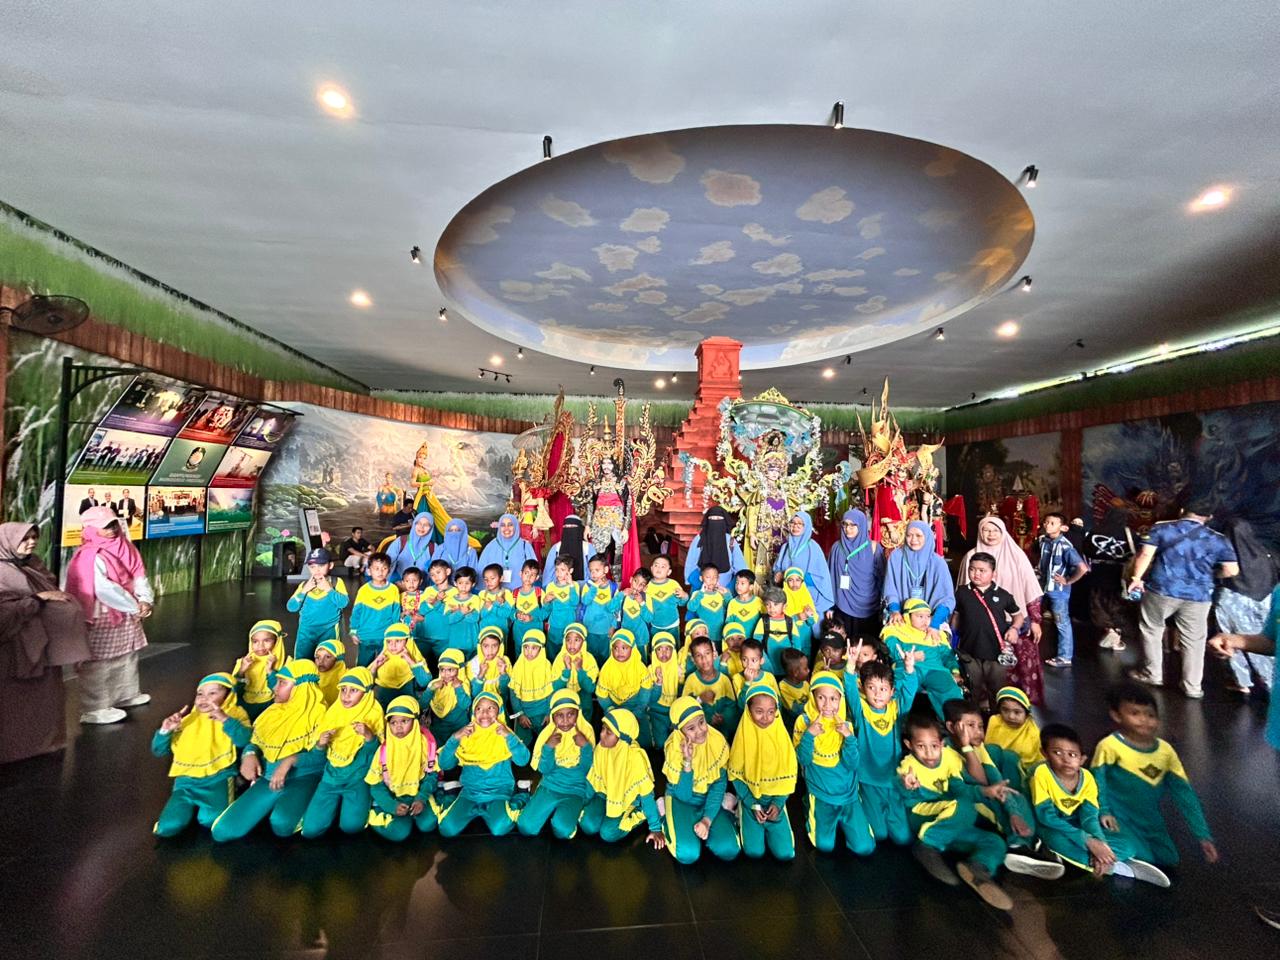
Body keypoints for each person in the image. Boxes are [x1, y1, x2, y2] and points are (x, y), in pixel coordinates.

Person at [1091, 682, 1217, 867]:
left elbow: (1185, 794)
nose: (1144, 720)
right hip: (1118, 818)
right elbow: (1096, 783)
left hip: (1150, 821)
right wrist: (1103, 811)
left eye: (1150, 715)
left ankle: (1121, 856)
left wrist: (1203, 835)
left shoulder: (1166, 752)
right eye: (1135, 713)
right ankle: (1092, 848)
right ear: (1116, 715)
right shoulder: (1109, 746)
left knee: (1169, 858)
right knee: (1135, 852)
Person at [897, 712, 1015, 909]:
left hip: (952, 820)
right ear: (909, 745)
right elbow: (903, 786)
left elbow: (961, 790)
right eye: (921, 746)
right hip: (923, 816)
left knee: (995, 841)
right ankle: (927, 845)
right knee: (963, 807)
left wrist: (986, 791)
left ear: (942, 743)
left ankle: (978, 869)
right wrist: (907, 785)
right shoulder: (909, 765)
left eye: (934, 746)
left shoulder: (950, 758)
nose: (929, 753)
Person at [1030, 722, 1170, 887]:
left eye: (1072, 754)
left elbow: (1089, 818)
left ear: (1082, 759)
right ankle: (1115, 867)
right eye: (1057, 752)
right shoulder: (1041, 773)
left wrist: (1100, 843)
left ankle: (1102, 859)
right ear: (1045, 753)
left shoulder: (1088, 779)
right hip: (1051, 827)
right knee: (1056, 841)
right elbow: (1046, 818)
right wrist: (1088, 841)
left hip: (1077, 826)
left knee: (1129, 845)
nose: (1066, 760)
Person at [0, 522, 90, 763]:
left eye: (34, 537)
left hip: (43, 648)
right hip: (12, 652)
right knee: (13, 704)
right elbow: (4, 615)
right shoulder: (2, 572)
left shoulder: (33, 564)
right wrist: (37, 599)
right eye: (24, 538)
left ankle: (43, 743)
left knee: (45, 699)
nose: (31, 542)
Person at [1128, 503, 1239, 698]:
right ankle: (1192, 686)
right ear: (1209, 517)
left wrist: (1136, 578)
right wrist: (1211, 576)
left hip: (1162, 588)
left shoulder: (1162, 528)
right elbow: (1231, 570)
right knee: (1194, 640)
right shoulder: (1218, 539)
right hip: (1199, 595)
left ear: (1181, 511)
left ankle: (1152, 673)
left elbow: (1145, 554)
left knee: (1152, 629)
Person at [210, 660, 327, 841]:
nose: (274, 688)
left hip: (303, 777)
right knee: (222, 831)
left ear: (301, 688)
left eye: (282, 683)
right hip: (269, 777)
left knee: (282, 824)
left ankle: (313, 800)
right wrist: (249, 754)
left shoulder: (321, 715)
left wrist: (289, 761)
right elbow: (255, 741)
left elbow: (321, 758)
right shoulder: (271, 713)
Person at [64, 507, 154, 725]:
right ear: (91, 529)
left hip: (126, 610)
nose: (112, 529)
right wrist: (134, 606)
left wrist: (145, 598)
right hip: (101, 613)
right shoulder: (89, 555)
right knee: (99, 661)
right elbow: (104, 589)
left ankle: (125, 694)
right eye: (105, 526)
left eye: (113, 524)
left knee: (127, 654)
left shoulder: (126, 547)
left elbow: (139, 575)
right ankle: (95, 707)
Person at [151, 672, 252, 837]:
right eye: (200, 694)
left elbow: (244, 740)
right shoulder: (186, 721)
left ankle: (232, 791)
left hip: (218, 778)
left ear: (228, 696)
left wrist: (225, 719)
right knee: (167, 827)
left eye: (212, 693)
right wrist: (165, 731)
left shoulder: (235, 714)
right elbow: (158, 750)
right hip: (185, 783)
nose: (204, 698)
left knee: (211, 820)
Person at [958, 516, 1045, 705]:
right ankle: (982, 708)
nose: (990, 534)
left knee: (1013, 667)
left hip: (1013, 623)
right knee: (977, 670)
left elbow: (1030, 588)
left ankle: (1013, 706)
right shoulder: (971, 556)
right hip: (979, 626)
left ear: (1003, 532)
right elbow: (962, 596)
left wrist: (1035, 619)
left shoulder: (1016, 555)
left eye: (995, 530)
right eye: (986, 530)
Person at [793, 673, 874, 856]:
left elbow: (852, 764)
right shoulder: (804, 721)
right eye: (821, 697)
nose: (827, 705)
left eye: (833, 699)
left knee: (865, 848)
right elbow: (803, 760)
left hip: (848, 794)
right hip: (821, 793)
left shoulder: (845, 725)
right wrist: (809, 735)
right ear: (813, 697)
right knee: (824, 846)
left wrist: (849, 737)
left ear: (840, 699)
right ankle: (808, 804)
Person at [300, 666, 384, 837]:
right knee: (310, 830)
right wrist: (321, 744)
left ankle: (363, 803)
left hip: (358, 777)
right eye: (343, 689)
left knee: (351, 827)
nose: (346, 696)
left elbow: (377, 756)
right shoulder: (333, 712)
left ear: (366, 693)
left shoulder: (373, 713)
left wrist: (369, 736)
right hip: (331, 777)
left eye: (354, 690)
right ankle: (335, 807)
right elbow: (318, 754)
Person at [661, 695, 741, 864]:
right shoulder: (674, 749)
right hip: (681, 799)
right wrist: (687, 763)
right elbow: (683, 795)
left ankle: (720, 810)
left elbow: (719, 783)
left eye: (702, 722)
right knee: (688, 854)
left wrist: (707, 819)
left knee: (730, 849)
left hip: (708, 796)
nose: (700, 730)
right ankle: (664, 813)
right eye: (691, 728)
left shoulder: (716, 740)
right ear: (680, 732)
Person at [437, 690, 529, 837]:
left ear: (500, 711)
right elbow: (444, 764)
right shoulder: (466, 735)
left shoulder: (505, 734)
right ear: (473, 713)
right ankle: (452, 795)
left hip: (499, 793)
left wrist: (509, 737)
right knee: (447, 829)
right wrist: (454, 738)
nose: (484, 713)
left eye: (491, 708)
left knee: (500, 828)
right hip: (470, 794)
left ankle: (521, 795)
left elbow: (523, 760)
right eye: (479, 708)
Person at [852, 656, 920, 847]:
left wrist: (909, 669)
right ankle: (861, 804)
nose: (877, 694)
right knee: (879, 834)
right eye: (871, 687)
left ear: (892, 691)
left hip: (892, 779)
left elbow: (909, 692)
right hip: (868, 780)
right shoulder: (861, 710)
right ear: (863, 689)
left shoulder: (896, 709)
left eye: (883, 689)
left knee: (903, 838)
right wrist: (850, 668)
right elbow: (850, 691)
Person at [729, 683, 798, 860]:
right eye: (759, 711)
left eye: (771, 711)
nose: (766, 718)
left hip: (775, 801)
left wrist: (778, 803)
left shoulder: (782, 738)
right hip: (751, 800)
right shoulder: (743, 737)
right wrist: (752, 803)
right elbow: (735, 775)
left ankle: (778, 813)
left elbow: (789, 776)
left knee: (786, 854)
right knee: (754, 852)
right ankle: (741, 810)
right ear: (748, 711)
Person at [580, 708, 665, 848]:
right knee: (587, 825)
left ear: (622, 738)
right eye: (603, 728)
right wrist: (581, 803)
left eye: (609, 732)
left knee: (608, 833)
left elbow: (646, 796)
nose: (601, 734)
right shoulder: (601, 749)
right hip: (605, 794)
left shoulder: (635, 759)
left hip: (629, 801)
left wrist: (655, 828)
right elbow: (592, 781)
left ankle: (642, 813)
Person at [517, 689, 595, 839]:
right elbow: (544, 769)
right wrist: (548, 748)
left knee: (562, 831)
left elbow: (586, 769)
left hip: (575, 789)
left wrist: (585, 747)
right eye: (560, 715)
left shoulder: (586, 731)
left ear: (578, 714)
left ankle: (575, 812)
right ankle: (525, 797)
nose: (565, 721)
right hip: (550, 785)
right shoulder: (547, 734)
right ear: (552, 716)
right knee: (526, 827)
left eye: (570, 714)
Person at [951, 552, 1024, 713]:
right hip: (969, 651)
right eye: (972, 569)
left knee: (997, 690)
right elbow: (955, 617)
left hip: (996, 652)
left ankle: (996, 720)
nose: (976, 574)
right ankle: (973, 719)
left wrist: (1014, 629)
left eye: (982, 570)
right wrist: (951, 637)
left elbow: (1018, 616)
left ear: (993, 573)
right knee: (972, 688)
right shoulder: (962, 592)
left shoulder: (1003, 595)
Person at [1212, 518, 1278, 695]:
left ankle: (1241, 681)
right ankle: (1269, 679)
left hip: (1233, 593)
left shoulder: (1227, 547)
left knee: (1230, 639)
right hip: (1264, 595)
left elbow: (1227, 570)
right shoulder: (1264, 550)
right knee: (1263, 637)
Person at [366, 696, 440, 840]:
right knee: (399, 833)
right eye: (393, 722)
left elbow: (432, 775)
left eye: (404, 721)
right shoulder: (383, 751)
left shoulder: (426, 745)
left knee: (428, 824)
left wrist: (421, 798)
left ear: (415, 721)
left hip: (418, 794)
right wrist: (391, 805)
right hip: (394, 797)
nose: (398, 727)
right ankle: (373, 815)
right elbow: (375, 785)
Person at [883, 599, 963, 715]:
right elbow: (892, 649)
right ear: (907, 616)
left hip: (935, 670)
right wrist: (909, 657)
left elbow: (947, 656)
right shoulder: (895, 630)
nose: (925, 620)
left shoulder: (937, 633)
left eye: (928, 616)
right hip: (907, 668)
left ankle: (955, 722)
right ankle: (894, 722)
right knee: (899, 688)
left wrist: (955, 671)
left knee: (950, 689)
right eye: (920, 616)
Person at [883, 520, 955, 636]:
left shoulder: (938, 563)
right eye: (909, 535)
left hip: (930, 619)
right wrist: (895, 610)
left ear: (927, 536)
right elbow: (890, 588)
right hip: (902, 615)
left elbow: (946, 599)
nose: (913, 540)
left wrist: (934, 623)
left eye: (918, 535)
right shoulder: (896, 557)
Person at [1036, 513, 1090, 669]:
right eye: (1046, 522)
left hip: (1058, 591)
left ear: (1063, 527)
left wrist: (1068, 580)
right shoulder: (1043, 541)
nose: (1048, 525)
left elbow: (1082, 567)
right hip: (1042, 586)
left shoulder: (1065, 546)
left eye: (1052, 523)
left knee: (1061, 621)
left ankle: (1065, 656)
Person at [827, 508, 885, 640]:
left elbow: (881, 578)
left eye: (853, 525)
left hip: (869, 606)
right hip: (842, 604)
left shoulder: (874, 548)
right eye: (845, 524)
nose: (848, 529)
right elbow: (830, 578)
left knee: (866, 644)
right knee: (843, 643)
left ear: (862, 526)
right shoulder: (837, 548)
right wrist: (830, 605)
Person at [285, 548, 349, 662]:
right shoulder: (304, 585)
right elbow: (291, 607)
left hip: (329, 630)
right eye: (312, 566)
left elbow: (343, 603)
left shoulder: (336, 582)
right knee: (302, 662)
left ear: (330, 565)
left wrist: (329, 589)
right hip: (306, 631)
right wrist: (304, 591)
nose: (317, 570)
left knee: (330, 662)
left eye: (321, 565)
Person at [771, 512, 834, 618]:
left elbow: (822, 578)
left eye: (800, 523)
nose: (795, 526)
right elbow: (777, 569)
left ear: (807, 526)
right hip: (789, 599)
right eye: (793, 523)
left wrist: (796, 578)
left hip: (809, 598)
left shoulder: (813, 547)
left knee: (810, 625)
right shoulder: (786, 547)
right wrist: (777, 574)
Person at [349, 554, 401, 668]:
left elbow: (396, 614)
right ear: (369, 571)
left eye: (384, 568)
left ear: (389, 570)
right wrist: (353, 631)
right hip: (366, 636)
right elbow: (356, 612)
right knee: (363, 667)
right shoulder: (364, 590)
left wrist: (395, 633)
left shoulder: (393, 589)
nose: (380, 572)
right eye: (376, 568)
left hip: (386, 636)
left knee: (386, 667)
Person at [507, 629, 556, 749]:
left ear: (541, 649)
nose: (529, 652)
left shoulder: (546, 666)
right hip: (524, 713)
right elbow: (513, 694)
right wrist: (520, 714)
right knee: (520, 745)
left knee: (547, 743)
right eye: (526, 647)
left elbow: (551, 692)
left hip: (543, 713)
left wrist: (549, 713)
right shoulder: (518, 667)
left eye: (534, 648)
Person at [232, 620, 287, 722]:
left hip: (271, 706)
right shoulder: (242, 663)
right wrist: (241, 671)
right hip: (244, 706)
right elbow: (234, 692)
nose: (260, 646)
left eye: (266, 641)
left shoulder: (285, 664)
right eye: (255, 641)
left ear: (277, 641)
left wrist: (270, 671)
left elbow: (281, 693)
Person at [683, 505, 747, 591]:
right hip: (702, 586)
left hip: (725, 588)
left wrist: (732, 588)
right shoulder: (700, 539)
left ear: (723, 522)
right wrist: (697, 584)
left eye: (718, 519)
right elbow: (691, 563)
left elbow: (740, 566)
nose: (715, 522)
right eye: (712, 518)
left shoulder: (730, 541)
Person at [595, 629, 651, 718]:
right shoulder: (607, 669)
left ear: (632, 648)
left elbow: (646, 689)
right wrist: (610, 709)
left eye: (624, 648)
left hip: (635, 702)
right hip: (614, 704)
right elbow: (601, 694)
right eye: (615, 648)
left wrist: (640, 708)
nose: (619, 652)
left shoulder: (639, 667)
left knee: (641, 723)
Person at [478, 513, 538, 591]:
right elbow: (481, 571)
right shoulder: (490, 546)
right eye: (503, 525)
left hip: (520, 593)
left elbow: (534, 569)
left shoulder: (525, 546)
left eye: (510, 525)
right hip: (495, 593)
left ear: (516, 526)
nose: (506, 528)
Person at [551, 623, 599, 721]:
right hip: (565, 700)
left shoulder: (589, 659)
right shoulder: (560, 659)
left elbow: (590, 688)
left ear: (583, 642)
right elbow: (555, 687)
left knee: (584, 723)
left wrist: (580, 670)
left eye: (576, 640)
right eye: (568, 640)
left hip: (584, 701)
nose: (572, 644)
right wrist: (567, 671)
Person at [541, 513, 594, 586]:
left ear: (579, 529)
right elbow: (549, 572)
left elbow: (594, 570)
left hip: (584, 588)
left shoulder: (587, 547)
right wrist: (548, 588)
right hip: (560, 588)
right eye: (566, 526)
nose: (569, 529)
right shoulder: (556, 548)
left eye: (572, 526)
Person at [386, 513, 437, 584]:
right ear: (414, 524)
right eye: (419, 523)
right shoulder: (401, 541)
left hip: (422, 587)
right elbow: (387, 563)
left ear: (431, 528)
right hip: (398, 583)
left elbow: (436, 571)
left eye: (426, 525)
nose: (421, 527)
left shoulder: (433, 547)